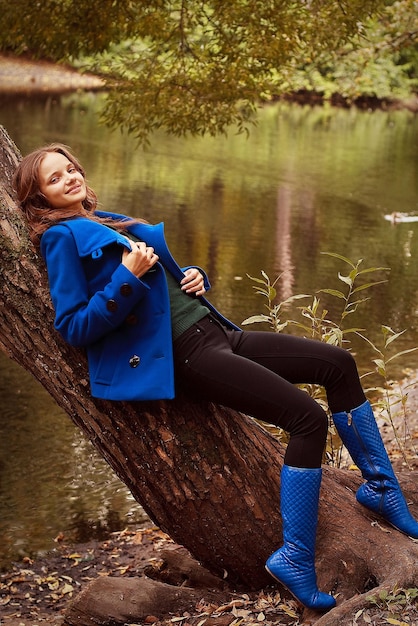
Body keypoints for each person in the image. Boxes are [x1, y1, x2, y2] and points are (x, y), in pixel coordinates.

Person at [13, 143, 418, 612]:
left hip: (219, 332)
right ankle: (295, 557)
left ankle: (382, 489)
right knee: (306, 419)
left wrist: (193, 274)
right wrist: (126, 275)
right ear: (39, 197)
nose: (69, 178)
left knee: (338, 364)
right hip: (187, 353)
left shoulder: (108, 220)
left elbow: (164, 284)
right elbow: (73, 326)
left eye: (70, 168)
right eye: (54, 178)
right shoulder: (59, 239)